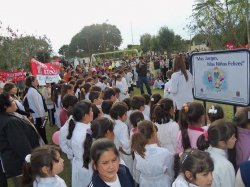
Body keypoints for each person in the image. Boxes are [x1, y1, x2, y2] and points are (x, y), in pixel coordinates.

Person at [0, 93, 40, 187]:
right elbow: (21, 146)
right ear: (5, 106)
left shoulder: (8, 115)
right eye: (12, 101)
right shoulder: (10, 122)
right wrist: (32, 162)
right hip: (21, 165)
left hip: (20, 163)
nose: (15, 102)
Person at [131, 120, 174, 187]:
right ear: (154, 133)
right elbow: (171, 172)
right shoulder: (164, 153)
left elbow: (136, 172)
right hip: (162, 183)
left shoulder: (137, 150)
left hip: (144, 183)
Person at [197, 119, 237, 187]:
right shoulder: (226, 166)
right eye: (233, 137)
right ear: (222, 143)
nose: (236, 139)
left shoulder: (205, 153)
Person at [66, 101, 93, 187]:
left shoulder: (81, 126)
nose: (93, 113)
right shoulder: (82, 133)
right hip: (86, 166)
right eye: (91, 111)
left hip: (81, 163)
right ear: (85, 116)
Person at [110, 102, 133, 174]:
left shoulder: (112, 123)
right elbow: (126, 144)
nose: (127, 116)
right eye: (125, 114)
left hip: (116, 152)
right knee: (128, 171)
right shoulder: (123, 126)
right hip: (125, 153)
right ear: (120, 116)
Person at [24, 76, 48, 143]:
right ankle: (44, 143)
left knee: (42, 130)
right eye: (36, 80)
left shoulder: (32, 90)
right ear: (32, 82)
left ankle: (44, 142)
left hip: (38, 115)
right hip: (38, 116)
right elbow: (37, 105)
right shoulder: (32, 91)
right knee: (41, 131)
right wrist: (42, 116)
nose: (37, 81)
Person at [169, 54, 193, 121]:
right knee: (189, 121)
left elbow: (174, 90)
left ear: (175, 64)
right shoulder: (188, 73)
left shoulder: (175, 75)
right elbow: (192, 86)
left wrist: (169, 89)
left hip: (180, 104)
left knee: (180, 123)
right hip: (189, 102)